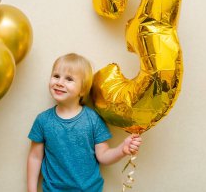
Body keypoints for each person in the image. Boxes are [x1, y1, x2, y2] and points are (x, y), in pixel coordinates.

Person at [27, 53, 142, 192]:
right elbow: (35, 158)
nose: (59, 82)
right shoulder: (43, 120)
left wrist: (122, 149)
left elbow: (103, 156)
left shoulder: (93, 119)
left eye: (69, 79)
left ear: (82, 90)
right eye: (56, 76)